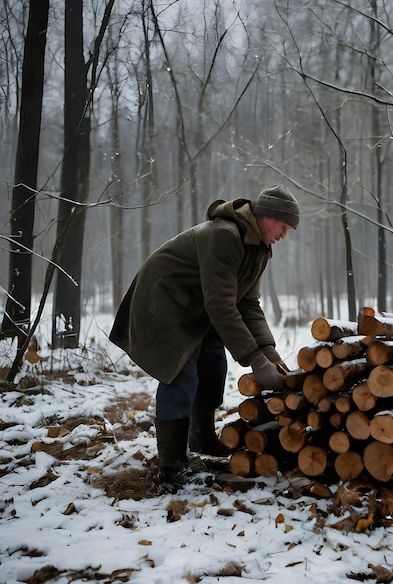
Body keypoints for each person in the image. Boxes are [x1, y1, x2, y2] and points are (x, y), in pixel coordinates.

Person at [109, 184, 300, 489]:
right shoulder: (224, 236)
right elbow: (221, 305)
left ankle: (202, 439)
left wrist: (269, 353)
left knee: (213, 365)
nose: (284, 235)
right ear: (266, 217)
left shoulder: (257, 250)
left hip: (196, 307)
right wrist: (255, 360)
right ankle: (172, 469)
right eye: (283, 226)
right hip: (165, 300)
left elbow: (247, 303)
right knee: (181, 374)